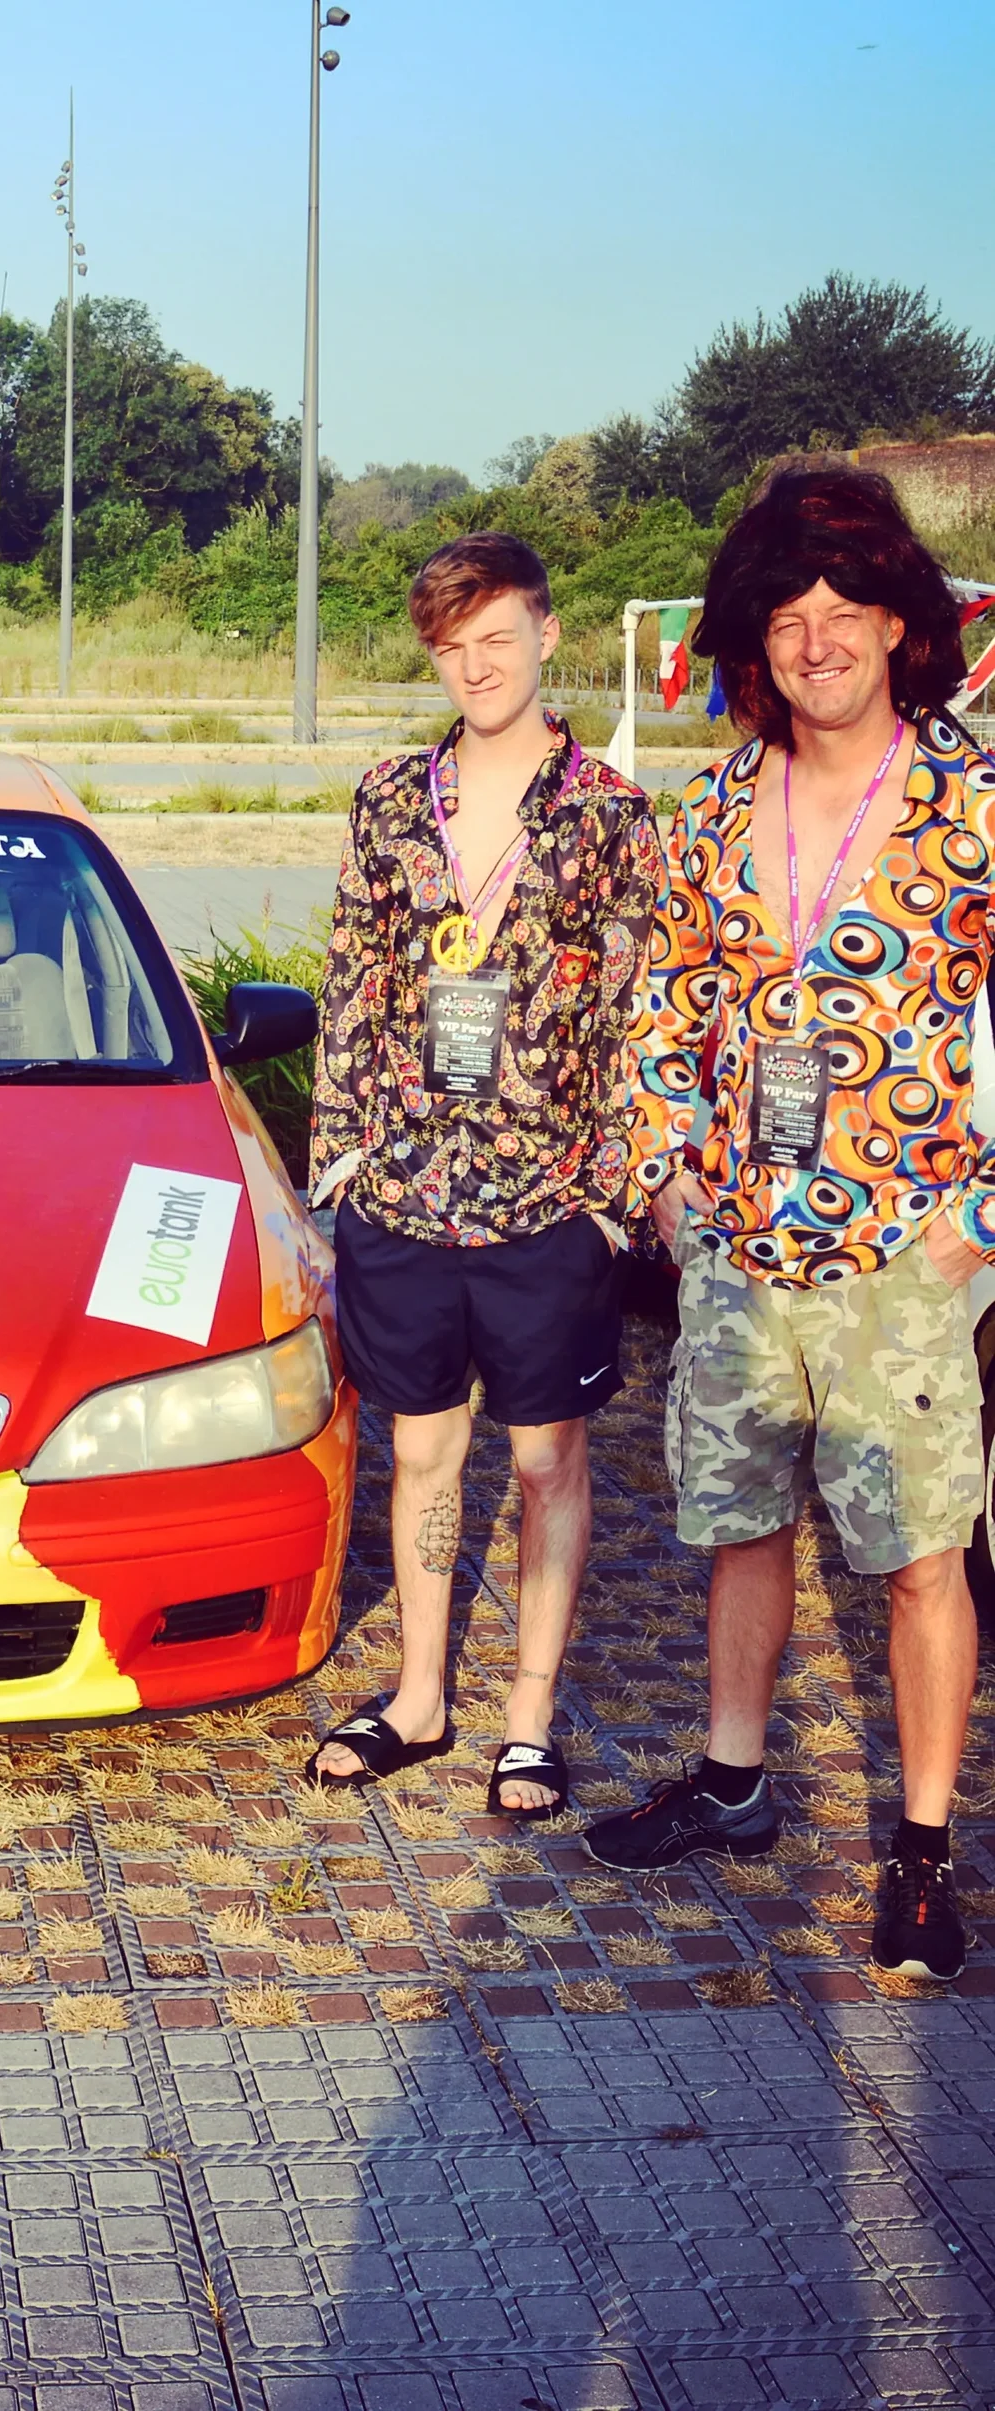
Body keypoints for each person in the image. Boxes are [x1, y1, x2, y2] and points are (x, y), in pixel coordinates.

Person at [587, 467, 991, 1985]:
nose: (817, 638)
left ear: (900, 621)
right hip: (742, 1256)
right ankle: (735, 1778)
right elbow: (661, 1021)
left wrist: (980, 1231)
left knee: (920, 1560)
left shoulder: (974, 804)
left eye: (845, 610)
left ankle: (927, 1849)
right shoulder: (712, 812)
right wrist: (670, 1185)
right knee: (739, 1526)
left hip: (906, 1262)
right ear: (756, 634)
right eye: (788, 612)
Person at [304, 533, 663, 1817]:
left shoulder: (610, 816)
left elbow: (642, 1008)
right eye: (451, 647)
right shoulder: (391, 794)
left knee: (548, 1462)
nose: (474, 665)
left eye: (495, 637)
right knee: (423, 1455)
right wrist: (336, 1157)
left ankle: (527, 1718)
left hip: (543, 1201)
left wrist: (617, 1194)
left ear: (547, 635)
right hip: (403, 1193)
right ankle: (418, 1698)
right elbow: (350, 975)